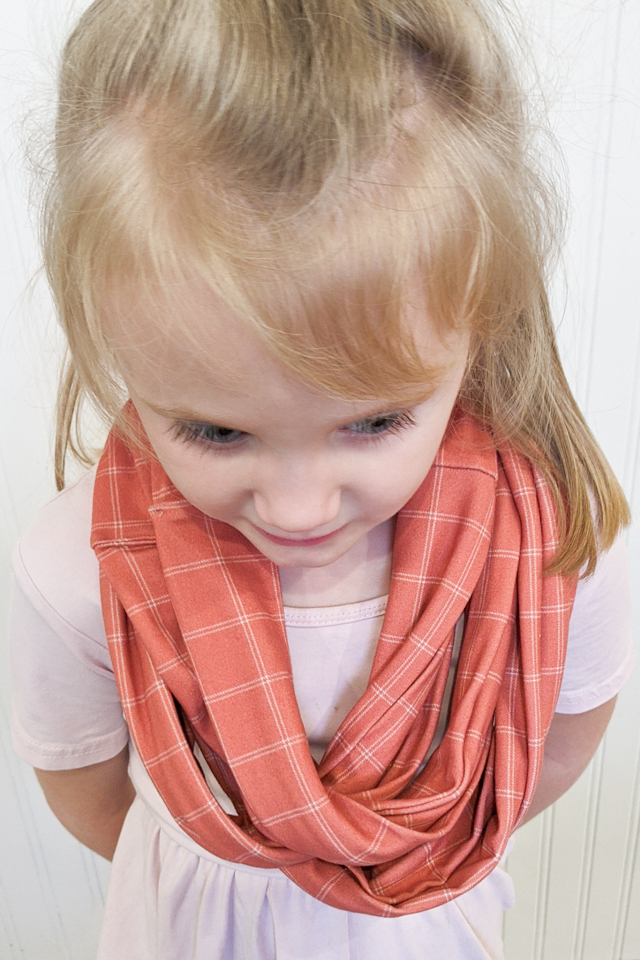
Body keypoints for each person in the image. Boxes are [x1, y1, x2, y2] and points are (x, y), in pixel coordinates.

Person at [9, 0, 634, 957]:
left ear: (479, 330)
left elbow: (547, 752)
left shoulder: (548, 547)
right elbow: (90, 791)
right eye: (216, 430)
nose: (299, 507)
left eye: (375, 420)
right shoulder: (70, 571)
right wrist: (240, 878)